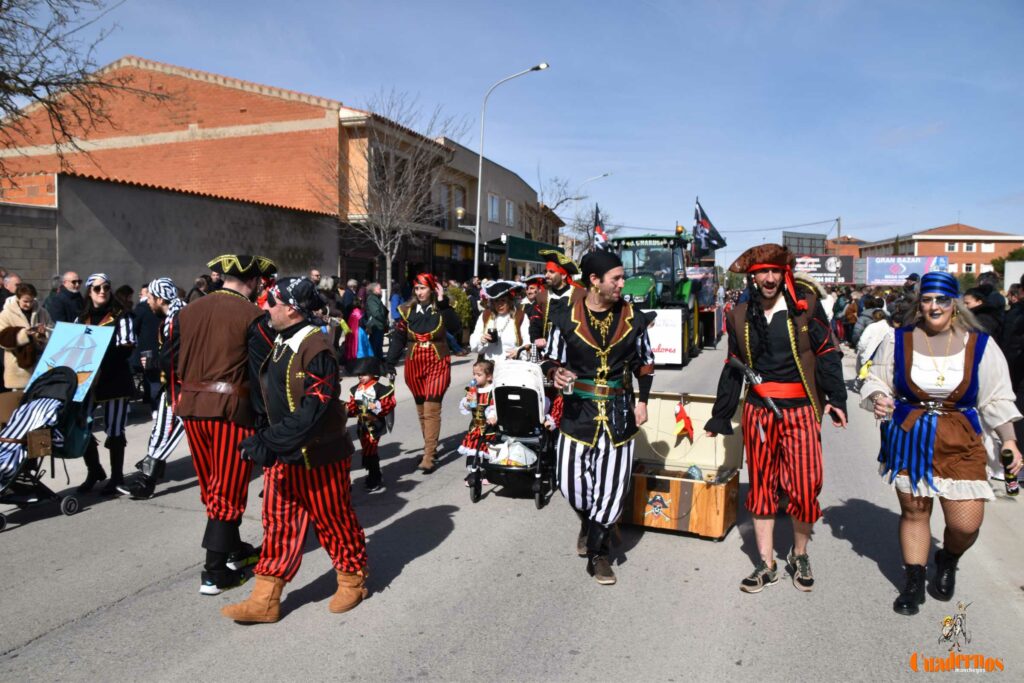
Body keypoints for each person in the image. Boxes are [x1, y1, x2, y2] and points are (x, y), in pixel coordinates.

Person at [862, 272, 1022, 615]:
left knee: (966, 523)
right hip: (910, 435)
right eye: (927, 299)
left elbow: (996, 399)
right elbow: (877, 378)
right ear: (919, 304)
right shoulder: (898, 339)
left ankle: (948, 557)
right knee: (915, 511)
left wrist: (1009, 440)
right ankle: (914, 580)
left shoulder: (979, 344)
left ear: (955, 305)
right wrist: (878, 396)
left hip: (960, 436)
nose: (934, 306)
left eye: (942, 300)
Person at [222, 277, 368, 624]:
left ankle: (353, 578)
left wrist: (268, 441)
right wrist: (263, 436)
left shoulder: (317, 349)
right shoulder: (281, 339)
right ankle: (266, 598)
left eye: (270, 302)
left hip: (319, 455)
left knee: (333, 519)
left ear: (289, 308)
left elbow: (312, 411)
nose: (265, 307)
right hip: (285, 454)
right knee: (278, 524)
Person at [705, 244, 847, 594]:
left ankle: (799, 554)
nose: (768, 279)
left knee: (804, 486)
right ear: (752, 276)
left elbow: (828, 351)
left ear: (784, 273)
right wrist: (720, 416)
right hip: (758, 411)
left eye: (774, 272)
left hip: (800, 410)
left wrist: (837, 398)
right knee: (763, 487)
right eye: (761, 273)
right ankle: (766, 564)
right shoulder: (739, 314)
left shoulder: (805, 307)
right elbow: (733, 365)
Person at [543, 250, 656, 585]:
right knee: (568, 482)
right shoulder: (564, 316)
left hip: (620, 413)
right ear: (594, 281)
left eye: (622, 278)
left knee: (610, 488)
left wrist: (644, 401)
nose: (623, 284)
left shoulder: (633, 316)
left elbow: (645, 363)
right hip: (578, 412)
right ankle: (592, 522)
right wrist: (555, 373)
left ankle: (598, 554)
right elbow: (550, 359)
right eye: (616, 279)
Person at [168, 254, 276, 595]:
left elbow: (166, 360)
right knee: (227, 489)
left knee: (213, 486)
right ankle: (215, 573)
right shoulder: (253, 316)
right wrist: (266, 422)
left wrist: (177, 398)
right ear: (254, 280)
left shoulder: (187, 312)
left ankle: (231, 549)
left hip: (191, 407)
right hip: (230, 411)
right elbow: (263, 375)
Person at [117, 278, 187, 500]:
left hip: (182, 387)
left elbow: (176, 357)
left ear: (159, 298)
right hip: (177, 385)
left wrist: (155, 362)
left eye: (150, 298)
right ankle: (147, 475)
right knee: (162, 430)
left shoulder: (176, 319)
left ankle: (146, 480)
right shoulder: (178, 314)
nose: (147, 303)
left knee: (166, 430)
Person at [384, 273, 461, 473]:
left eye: (423, 288)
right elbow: (399, 338)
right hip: (414, 362)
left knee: (431, 409)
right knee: (421, 411)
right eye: (417, 289)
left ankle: (429, 455)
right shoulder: (407, 311)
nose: (419, 292)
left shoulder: (441, 309)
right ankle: (430, 448)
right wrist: (389, 362)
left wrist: (443, 302)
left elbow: (456, 327)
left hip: (437, 361)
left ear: (432, 290)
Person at [76, 274, 137, 495]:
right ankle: (94, 470)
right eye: (97, 288)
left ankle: (117, 478)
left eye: (106, 287)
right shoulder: (81, 318)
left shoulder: (122, 316)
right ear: (89, 291)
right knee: (81, 427)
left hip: (114, 381)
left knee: (115, 429)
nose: (102, 291)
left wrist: (100, 360)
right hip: (87, 384)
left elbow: (126, 348)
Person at [346, 356, 396, 492]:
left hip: (374, 425)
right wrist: (344, 410)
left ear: (373, 373)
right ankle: (373, 475)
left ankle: (375, 477)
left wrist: (369, 405)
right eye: (358, 374)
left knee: (370, 451)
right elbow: (351, 407)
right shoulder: (355, 389)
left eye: (363, 374)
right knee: (366, 450)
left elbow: (387, 406)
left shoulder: (380, 389)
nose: (360, 377)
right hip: (362, 425)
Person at [0, 283, 52, 390]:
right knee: (18, 402)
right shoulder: (6, 314)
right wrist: (24, 334)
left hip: (40, 364)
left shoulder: (42, 312)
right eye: (25, 301)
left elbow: (52, 330)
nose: (28, 304)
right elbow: (2, 339)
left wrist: (43, 333)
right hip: (18, 367)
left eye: (31, 301)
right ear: (18, 298)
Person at [469, 281, 531, 363]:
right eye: (496, 301)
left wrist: (519, 351)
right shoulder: (486, 315)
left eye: (503, 300)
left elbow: (528, 341)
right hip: (489, 366)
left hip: (511, 364)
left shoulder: (520, 316)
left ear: (510, 301)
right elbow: (475, 338)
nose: (499, 304)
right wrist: (481, 339)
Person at [459, 359, 497, 483]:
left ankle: (487, 473)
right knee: (472, 450)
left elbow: (494, 406)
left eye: (479, 375)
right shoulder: (472, 389)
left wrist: (492, 415)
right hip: (475, 425)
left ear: (489, 377)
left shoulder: (492, 391)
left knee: (487, 450)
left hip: (489, 427)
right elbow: (466, 406)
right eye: (474, 374)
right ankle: (473, 472)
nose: (475, 377)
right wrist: (468, 401)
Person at [131, 283, 162, 414]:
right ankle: (155, 405)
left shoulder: (141, 308)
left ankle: (155, 407)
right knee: (155, 378)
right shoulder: (162, 308)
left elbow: (134, 327)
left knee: (152, 378)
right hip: (160, 347)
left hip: (146, 349)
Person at [363, 282, 389, 360]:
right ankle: (374, 361)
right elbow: (376, 313)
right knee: (375, 344)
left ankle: (379, 360)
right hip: (375, 325)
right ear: (373, 290)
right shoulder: (371, 298)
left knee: (379, 344)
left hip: (379, 325)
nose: (381, 290)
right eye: (379, 288)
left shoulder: (376, 298)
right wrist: (384, 320)